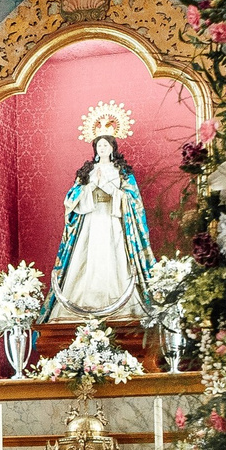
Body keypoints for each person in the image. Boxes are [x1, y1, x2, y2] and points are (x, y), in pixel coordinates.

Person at [49, 126, 155, 321]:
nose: (102, 148)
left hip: (112, 217)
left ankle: (123, 308)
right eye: (99, 145)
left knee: (115, 256)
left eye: (105, 144)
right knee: (88, 255)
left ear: (112, 147)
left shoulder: (122, 171)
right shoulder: (88, 170)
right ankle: (82, 305)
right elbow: (71, 197)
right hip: (91, 217)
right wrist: (89, 188)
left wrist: (109, 188)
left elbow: (132, 199)